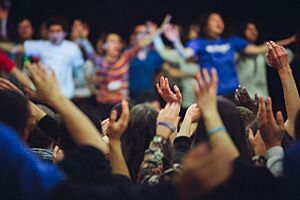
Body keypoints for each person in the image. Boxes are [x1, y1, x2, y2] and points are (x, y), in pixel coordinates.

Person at [166, 12, 295, 101]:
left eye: (220, 19)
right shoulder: (199, 43)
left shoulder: (231, 41)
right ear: (205, 26)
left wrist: (286, 41)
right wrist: (176, 41)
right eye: (214, 20)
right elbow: (185, 54)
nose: (219, 22)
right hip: (212, 94)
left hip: (233, 94)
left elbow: (256, 49)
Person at [72, 16, 170, 118]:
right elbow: (89, 51)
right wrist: (83, 38)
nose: (117, 44)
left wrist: (159, 31)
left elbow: (141, 44)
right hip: (104, 105)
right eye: (112, 41)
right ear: (104, 45)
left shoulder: (124, 58)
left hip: (121, 104)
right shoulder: (100, 62)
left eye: (118, 41)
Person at [0, 17, 85, 99]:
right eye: (52, 31)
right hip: (45, 96)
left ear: (64, 33)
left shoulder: (73, 47)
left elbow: (79, 73)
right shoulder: (40, 45)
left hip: (67, 95)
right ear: (47, 32)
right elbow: (14, 48)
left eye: (58, 31)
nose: (55, 34)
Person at [237, 21, 295, 98]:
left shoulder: (263, 51)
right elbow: (254, 50)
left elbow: (280, 58)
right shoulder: (236, 49)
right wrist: (290, 40)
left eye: (255, 29)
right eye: (249, 29)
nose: (253, 31)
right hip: (243, 97)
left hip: (261, 96)